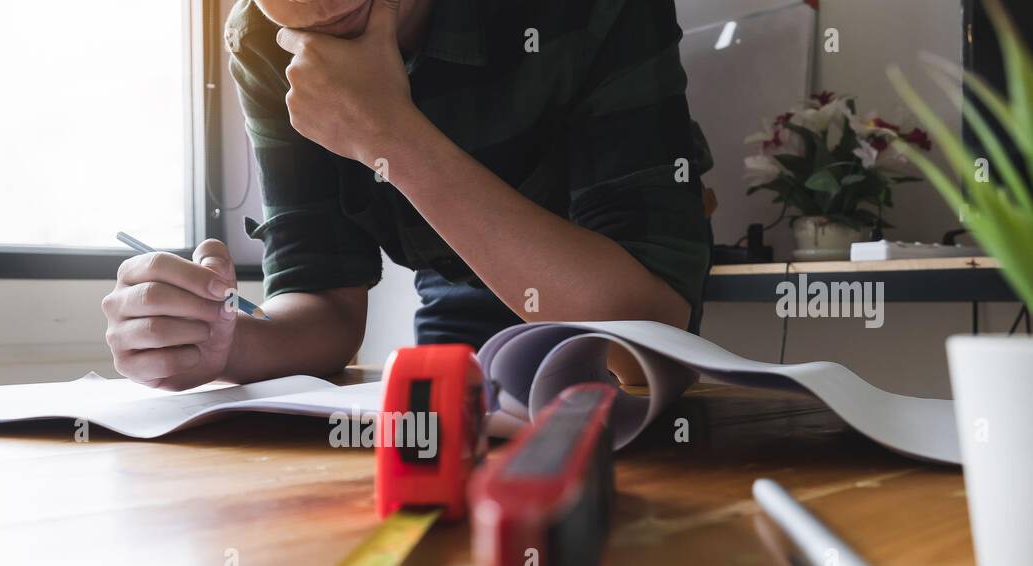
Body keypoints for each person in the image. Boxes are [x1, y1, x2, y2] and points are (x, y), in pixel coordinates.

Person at [103, 0, 713, 391]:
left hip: (606, 332)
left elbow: (645, 343)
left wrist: (390, 134)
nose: (323, 3)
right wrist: (228, 342)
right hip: (455, 326)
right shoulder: (267, 39)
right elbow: (325, 303)